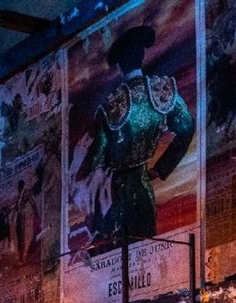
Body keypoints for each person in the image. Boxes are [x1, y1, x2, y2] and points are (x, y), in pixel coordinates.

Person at [81, 25, 195, 244]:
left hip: (116, 190)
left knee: (118, 246)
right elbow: (187, 128)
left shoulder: (110, 107)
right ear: (142, 57)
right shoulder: (161, 91)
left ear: (120, 67)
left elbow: (96, 156)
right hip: (143, 185)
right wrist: (160, 168)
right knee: (143, 244)